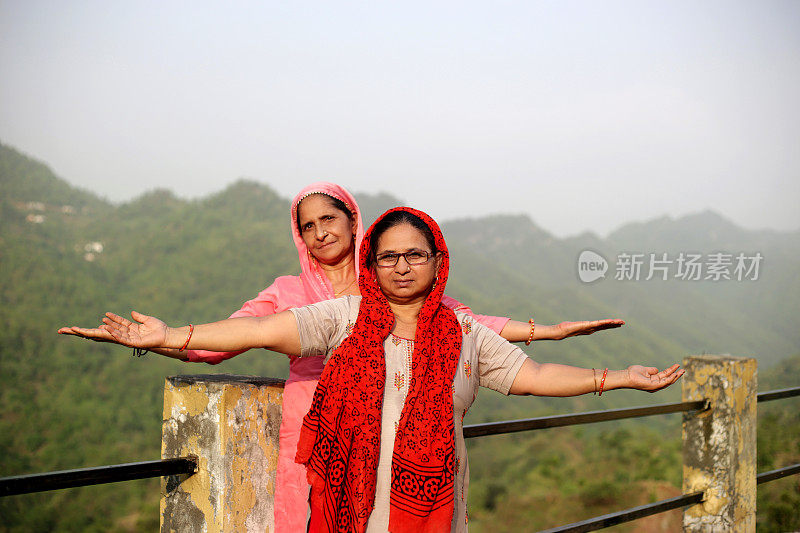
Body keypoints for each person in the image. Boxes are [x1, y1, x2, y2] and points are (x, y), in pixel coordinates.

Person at [60, 207, 682, 533]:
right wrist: (171, 337)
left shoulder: (465, 332)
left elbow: (536, 375)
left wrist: (617, 377)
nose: (403, 266)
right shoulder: (344, 316)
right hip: (347, 508)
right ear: (373, 264)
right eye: (389, 257)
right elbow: (255, 332)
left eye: (416, 254)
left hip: (433, 511)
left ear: (438, 261)